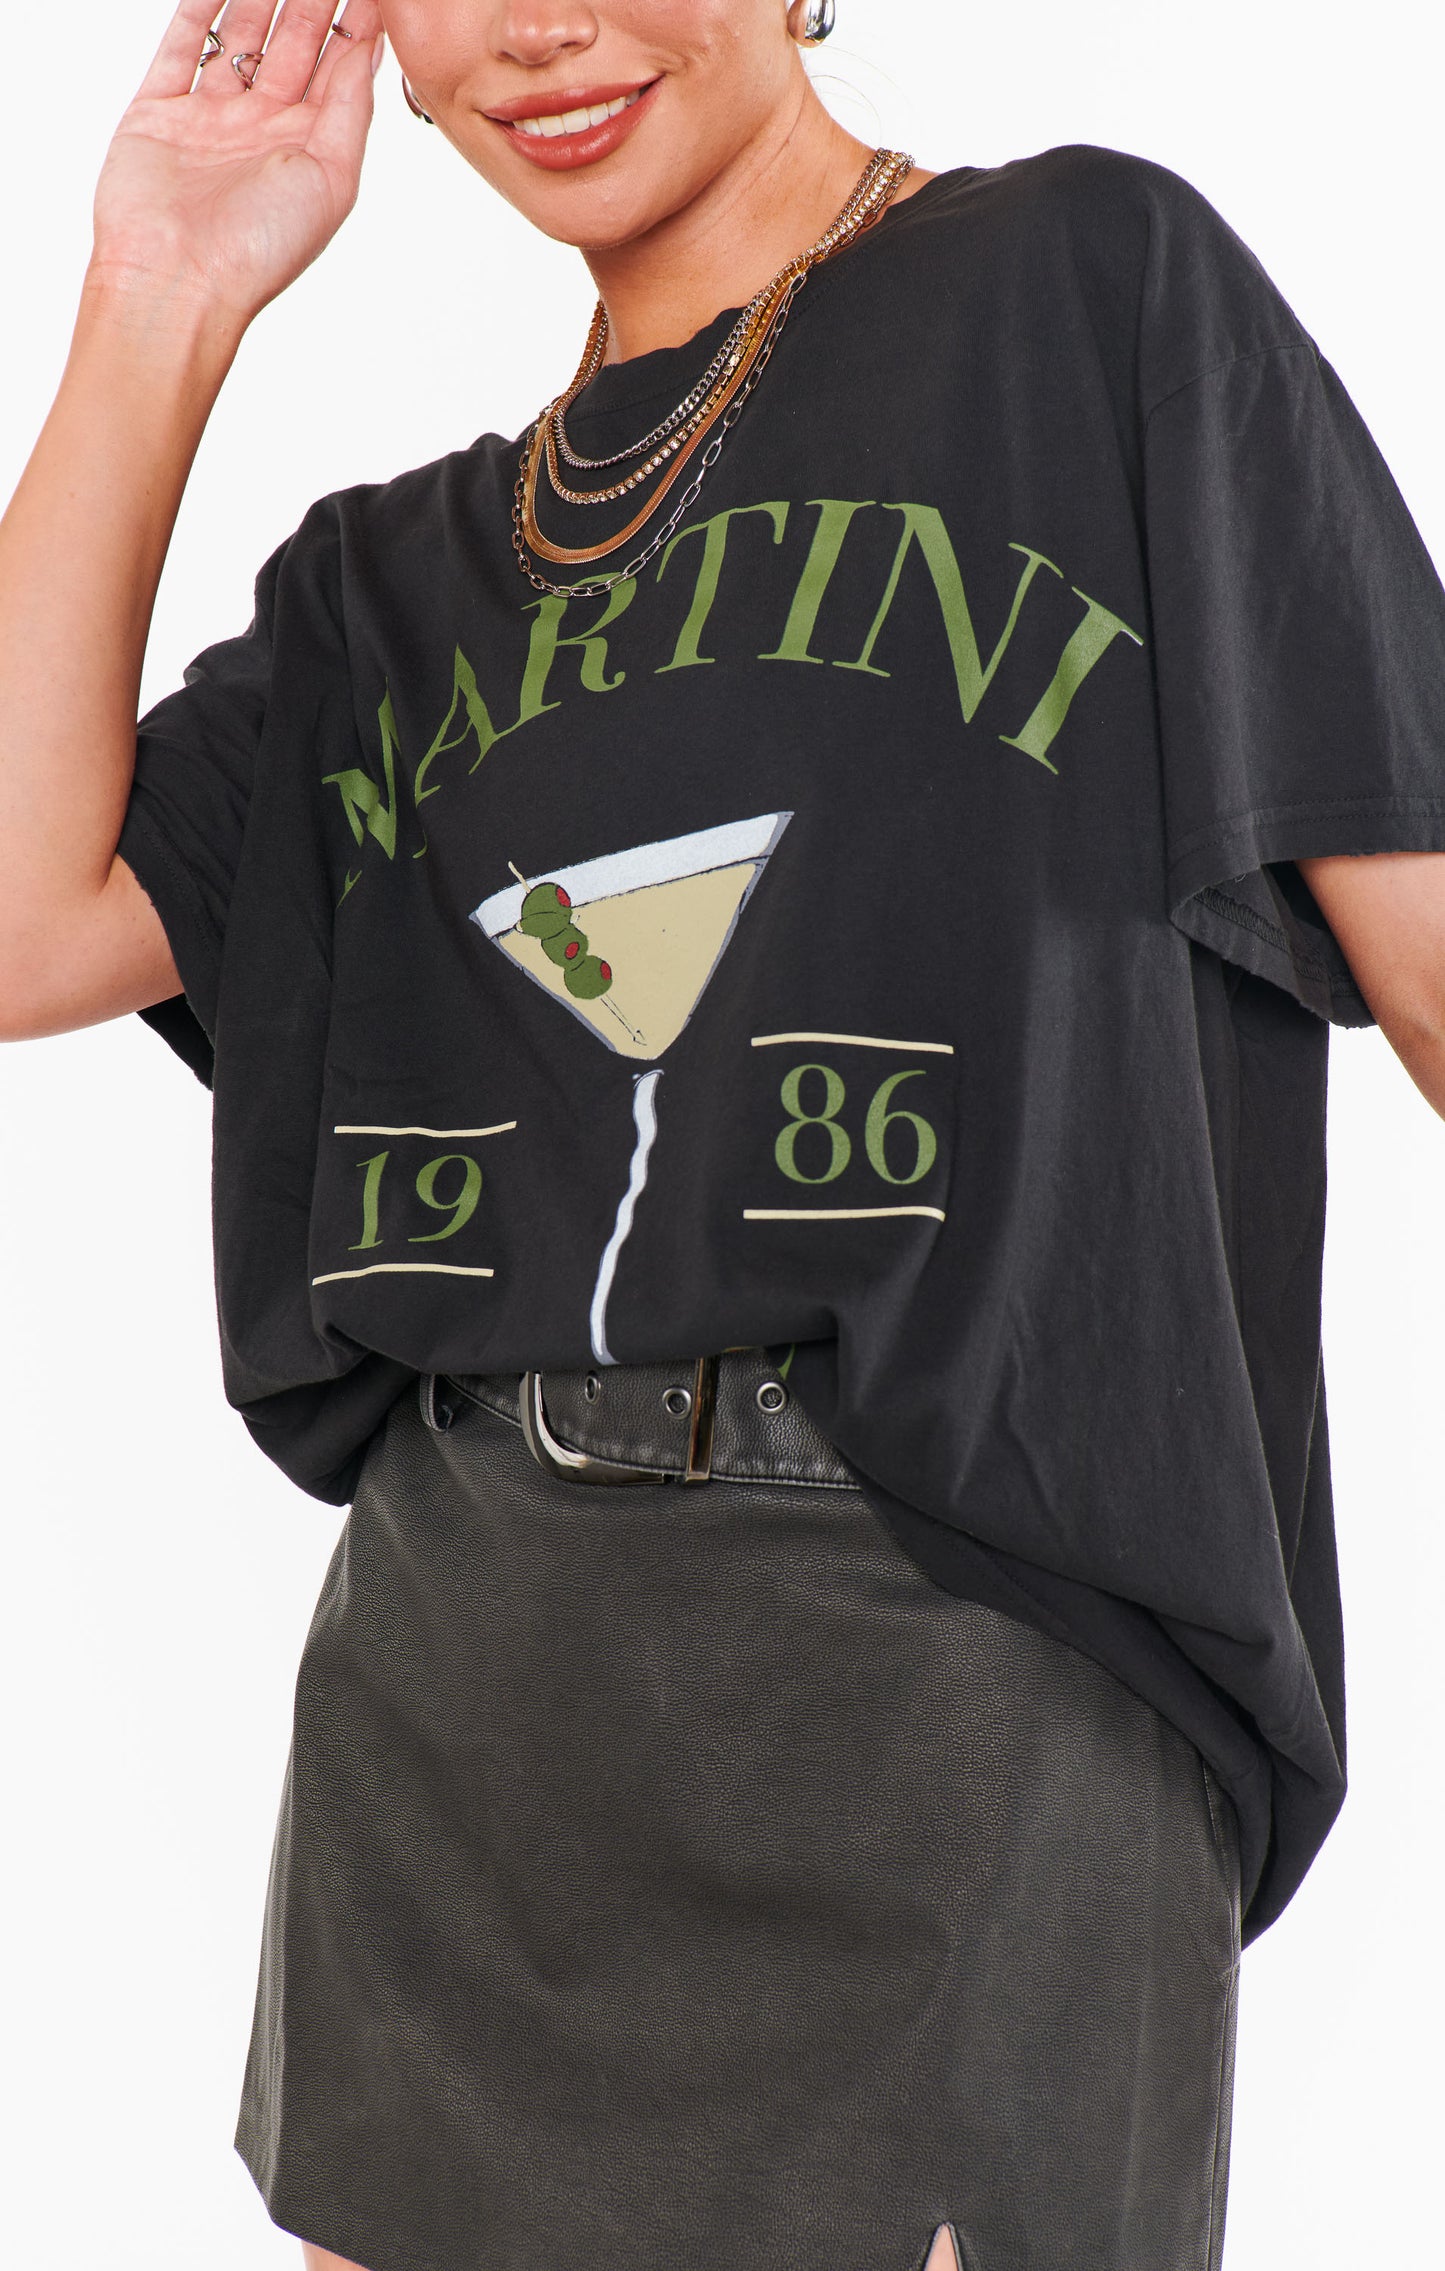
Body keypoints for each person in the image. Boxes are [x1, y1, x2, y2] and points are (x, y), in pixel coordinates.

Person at [3, 2, 1445, 2267]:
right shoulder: (382, 592)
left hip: (971, 1648)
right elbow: (18, 921)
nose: (541, 29)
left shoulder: (1092, 293)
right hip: (466, 1683)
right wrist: (161, 286)